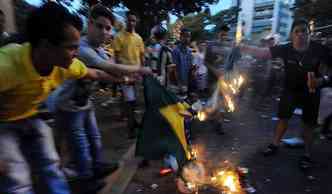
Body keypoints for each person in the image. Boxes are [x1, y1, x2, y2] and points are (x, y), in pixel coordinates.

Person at [0, 2, 130, 194]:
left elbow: (95, 73)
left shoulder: (66, 62)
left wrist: (123, 79)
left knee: (51, 162)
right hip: (5, 123)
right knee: (17, 177)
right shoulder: (6, 66)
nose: (76, 54)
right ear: (45, 47)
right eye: (71, 48)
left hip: (32, 114)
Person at [51, 4, 151, 181]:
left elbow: (110, 73)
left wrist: (128, 78)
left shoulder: (98, 49)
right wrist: (139, 70)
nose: (104, 32)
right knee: (80, 144)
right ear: (89, 24)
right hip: (67, 105)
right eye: (99, 26)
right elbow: (108, 68)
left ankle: (96, 167)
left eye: (107, 28)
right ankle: (85, 179)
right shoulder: (82, 48)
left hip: (84, 102)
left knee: (94, 138)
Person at [239, 19, 332, 169]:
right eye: (297, 31)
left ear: (309, 34)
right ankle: (275, 144)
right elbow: (263, 53)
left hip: (311, 91)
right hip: (290, 90)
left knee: (309, 125)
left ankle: (307, 154)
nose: (301, 34)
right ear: (291, 35)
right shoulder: (285, 49)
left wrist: (322, 80)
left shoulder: (320, 49)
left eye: (304, 31)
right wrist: (243, 48)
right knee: (283, 119)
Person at [113, 11, 145, 138]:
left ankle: (134, 123)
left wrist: (141, 71)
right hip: (126, 75)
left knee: (135, 102)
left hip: (137, 75)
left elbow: (142, 56)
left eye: (134, 21)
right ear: (126, 21)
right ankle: (130, 129)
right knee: (129, 101)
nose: (131, 23)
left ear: (136, 23)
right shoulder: (118, 36)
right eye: (129, 20)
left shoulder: (138, 38)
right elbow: (116, 58)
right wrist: (121, 74)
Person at [204, 25, 232, 135]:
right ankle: (216, 121)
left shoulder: (229, 46)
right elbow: (205, 62)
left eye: (225, 34)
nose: (224, 36)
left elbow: (230, 63)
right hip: (212, 78)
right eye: (222, 33)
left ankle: (217, 121)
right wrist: (215, 71)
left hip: (224, 79)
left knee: (221, 101)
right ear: (218, 33)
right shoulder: (211, 45)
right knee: (215, 100)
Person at [172, 28, 194, 98]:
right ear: (181, 37)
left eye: (189, 36)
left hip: (187, 83)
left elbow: (190, 68)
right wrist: (179, 84)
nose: (187, 38)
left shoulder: (190, 51)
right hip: (178, 84)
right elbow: (174, 69)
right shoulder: (176, 51)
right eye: (185, 36)